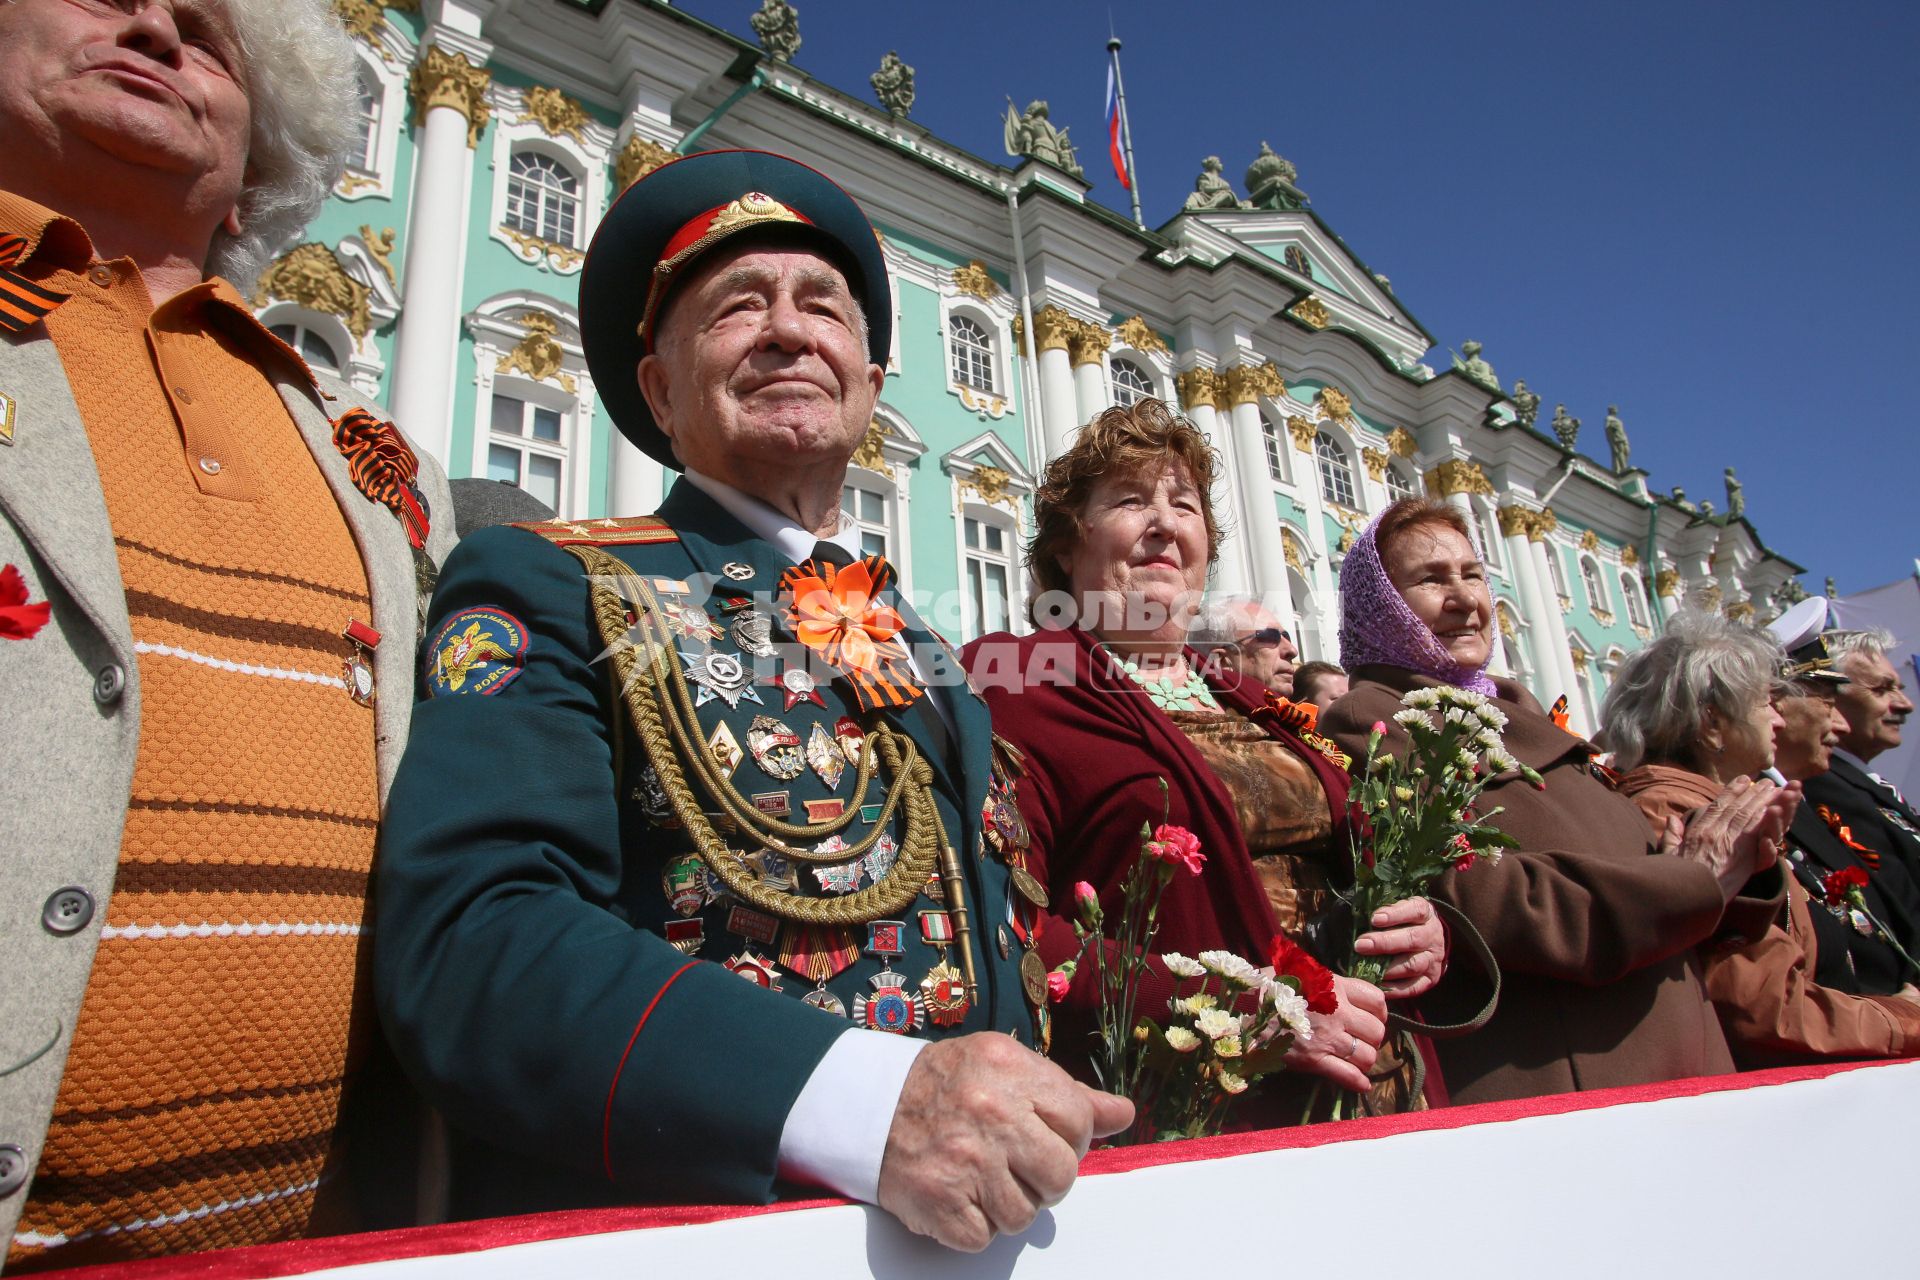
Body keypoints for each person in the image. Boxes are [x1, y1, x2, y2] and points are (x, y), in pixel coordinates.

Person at [373, 149, 1129, 1254]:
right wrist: (870, 1103)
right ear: (660, 388)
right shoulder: (555, 581)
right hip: (698, 1235)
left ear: (868, 382)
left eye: (823, 306)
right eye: (738, 306)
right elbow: (473, 946)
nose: (789, 329)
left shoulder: (921, 643)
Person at [0, 0, 455, 1267]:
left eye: (204, 32)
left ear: (263, 152)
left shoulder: (382, 472)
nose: (151, 25)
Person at [962, 400, 1446, 1118]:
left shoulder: (1246, 697)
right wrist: (1251, 1011)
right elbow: (1006, 925)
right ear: (1068, 545)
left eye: (1184, 505)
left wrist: (1421, 926)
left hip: (1384, 1084)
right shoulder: (1014, 682)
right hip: (1205, 1110)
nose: (1164, 523)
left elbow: (1361, 854)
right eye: (1130, 501)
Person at [1321, 499, 1795, 1105]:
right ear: (1380, 607)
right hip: (1577, 1079)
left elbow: (1643, 863)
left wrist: (1734, 866)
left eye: (1472, 574)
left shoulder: (1521, 711)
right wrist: (1686, 882)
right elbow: (1472, 895)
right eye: (1431, 579)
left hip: (1682, 1060)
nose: (1465, 598)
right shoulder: (1377, 718)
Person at [1604, 616, 1920, 1066]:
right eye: (1765, 702)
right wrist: (1904, 1018)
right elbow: (1767, 1009)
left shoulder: (1719, 802)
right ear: (1712, 722)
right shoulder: (1682, 814)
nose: (1778, 716)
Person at [1813, 626, 1920, 879]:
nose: (1906, 704)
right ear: (1829, 699)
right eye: (1881, 690)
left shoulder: (1862, 782)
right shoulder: (1826, 787)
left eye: (1899, 688)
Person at [1191, 596, 1300, 698]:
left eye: (1286, 636)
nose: (1293, 650)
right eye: (1270, 636)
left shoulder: (1301, 716)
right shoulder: (1201, 716)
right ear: (1222, 661)